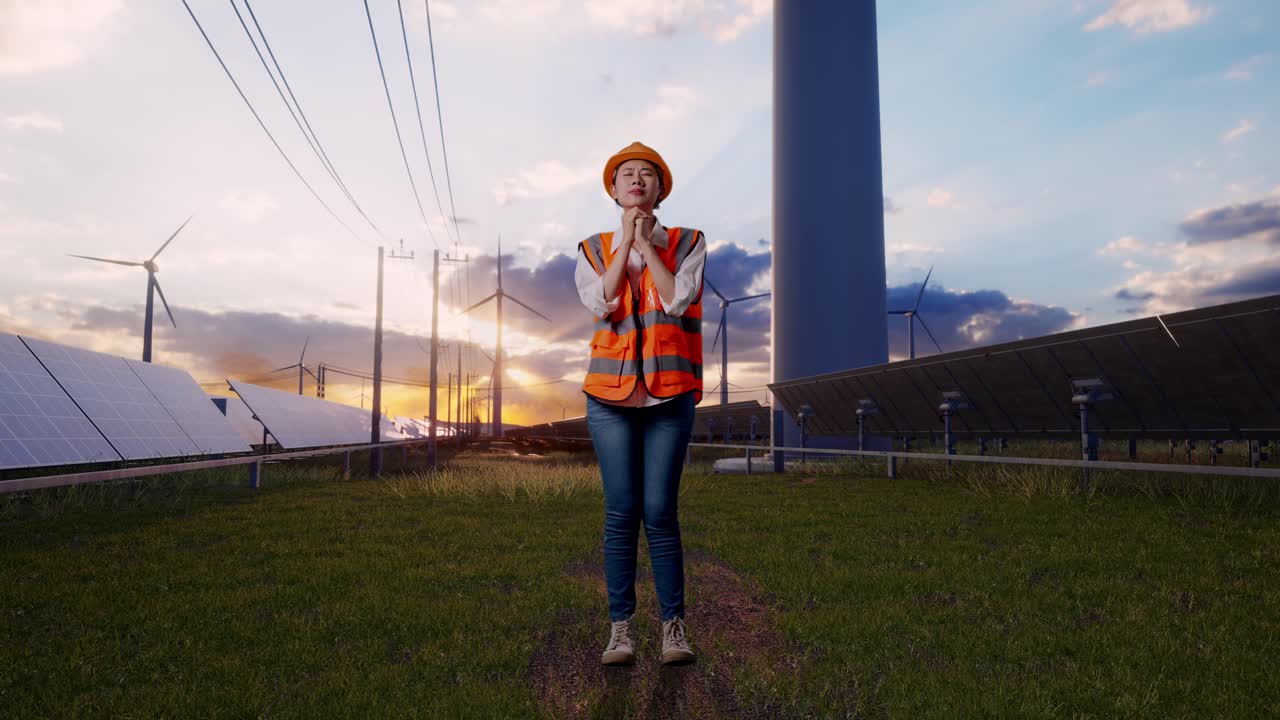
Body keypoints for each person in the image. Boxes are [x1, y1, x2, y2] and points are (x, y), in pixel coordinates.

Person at [574, 141, 707, 666]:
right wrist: (622, 244)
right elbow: (601, 302)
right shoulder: (590, 248)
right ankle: (621, 629)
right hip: (609, 396)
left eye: (646, 174)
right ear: (613, 189)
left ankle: (673, 628)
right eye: (626, 174)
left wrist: (648, 246)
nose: (635, 180)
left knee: (660, 512)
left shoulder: (689, 241)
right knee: (621, 512)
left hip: (669, 396)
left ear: (659, 189)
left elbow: (677, 298)